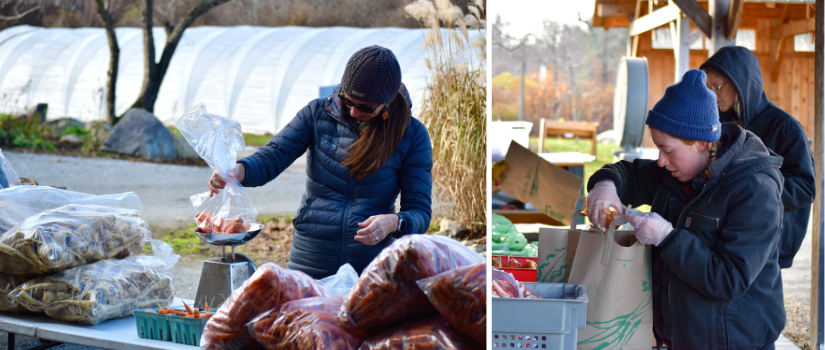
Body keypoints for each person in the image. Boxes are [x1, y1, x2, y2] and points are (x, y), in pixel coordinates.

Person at [586, 70, 784, 350]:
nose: (661, 161)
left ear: (701, 143)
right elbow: (626, 173)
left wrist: (667, 237)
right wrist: (604, 185)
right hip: (677, 338)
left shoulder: (754, 189)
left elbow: (729, 280)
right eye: (657, 149)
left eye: (667, 150)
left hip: (733, 342)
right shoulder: (678, 170)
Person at [207, 45, 433, 279]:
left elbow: (420, 212)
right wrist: (238, 170)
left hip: (370, 265)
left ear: (385, 104)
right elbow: (274, 155)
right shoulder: (317, 113)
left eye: (365, 107)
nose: (354, 112)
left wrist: (394, 222)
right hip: (310, 255)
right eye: (348, 100)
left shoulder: (412, 134)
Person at [700, 46, 815, 268]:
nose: (712, 95)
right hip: (724, 233)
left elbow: (805, 188)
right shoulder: (718, 124)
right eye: (707, 88)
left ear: (740, 83)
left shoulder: (785, 127)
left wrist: (754, 193)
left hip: (767, 240)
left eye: (718, 87)